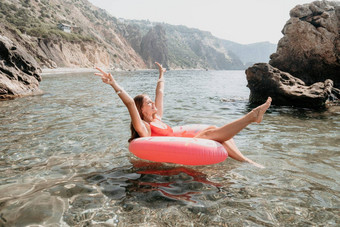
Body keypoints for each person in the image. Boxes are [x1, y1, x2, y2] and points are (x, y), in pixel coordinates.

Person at [95, 62, 272, 168]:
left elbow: (161, 93)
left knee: (212, 130)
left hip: (184, 144)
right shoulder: (144, 128)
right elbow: (129, 103)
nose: (153, 103)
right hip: (177, 148)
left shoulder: (157, 118)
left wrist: (161, 75)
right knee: (212, 132)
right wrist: (114, 83)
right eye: (148, 103)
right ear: (141, 110)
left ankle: (246, 157)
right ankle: (251, 117)